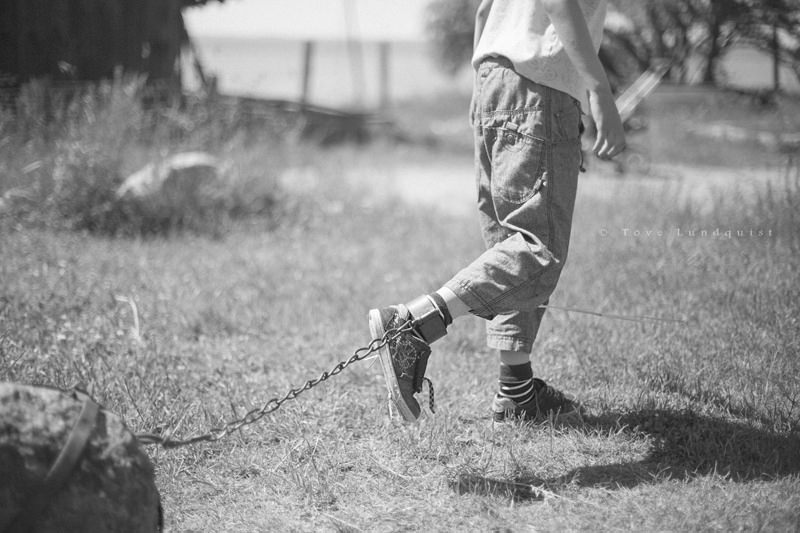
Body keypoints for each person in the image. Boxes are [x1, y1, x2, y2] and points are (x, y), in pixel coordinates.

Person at [369, 0, 626, 423]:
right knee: (537, 247)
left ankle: (516, 391)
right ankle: (413, 324)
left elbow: (485, 9)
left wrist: (480, 86)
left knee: (510, 245)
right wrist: (599, 89)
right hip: (540, 82)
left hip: (494, 78)